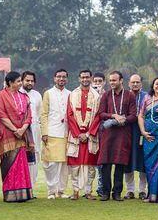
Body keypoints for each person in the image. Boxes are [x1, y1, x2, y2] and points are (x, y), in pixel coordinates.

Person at [96, 70, 138, 201]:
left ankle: (117, 193)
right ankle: (105, 192)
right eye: (110, 80)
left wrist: (123, 120)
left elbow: (133, 115)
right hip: (108, 134)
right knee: (106, 163)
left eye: (114, 80)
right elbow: (101, 114)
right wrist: (114, 116)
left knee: (120, 163)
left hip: (123, 134)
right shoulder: (106, 95)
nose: (112, 83)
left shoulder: (129, 95)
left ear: (121, 81)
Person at [0, 71, 34, 203]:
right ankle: (11, 195)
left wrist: (22, 129)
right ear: (10, 83)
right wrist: (15, 129)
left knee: (21, 164)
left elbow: (29, 115)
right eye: (18, 81)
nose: (20, 83)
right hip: (7, 135)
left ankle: (23, 194)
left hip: (21, 135)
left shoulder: (24, 96)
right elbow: (1, 115)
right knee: (9, 164)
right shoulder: (1, 95)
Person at [67, 69, 100, 199]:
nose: (85, 79)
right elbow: (69, 115)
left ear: (91, 78)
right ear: (79, 79)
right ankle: (75, 191)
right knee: (75, 165)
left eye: (87, 77)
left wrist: (87, 134)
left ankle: (88, 191)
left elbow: (98, 116)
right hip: (75, 136)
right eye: (82, 77)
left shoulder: (96, 95)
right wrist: (78, 133)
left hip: (90, 136)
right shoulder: (73, 94)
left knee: (90, 165)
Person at [41, 68, 71, 199]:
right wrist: (44, 132)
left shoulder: (71, 94)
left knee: (64, 164)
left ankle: (61, 191)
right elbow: (44, 114)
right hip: (52, 132)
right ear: (54, 78)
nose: (61, 79)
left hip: (67, 133)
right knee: (52, 164)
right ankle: (51, 191)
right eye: (59, 76)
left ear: (67, 79)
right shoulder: (48, 93)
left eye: (64, 77)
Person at [124, 73, 149, 199]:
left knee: (143, 162)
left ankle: (142, 190)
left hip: (142, 132)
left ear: (141, 83)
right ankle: (130, 190)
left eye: (137, 82)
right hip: (127, 132)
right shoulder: (124, 95)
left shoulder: (147, 97)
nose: (135, 84)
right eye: (133, 82)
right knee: (127, 162)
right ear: (128, 83)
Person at [22, 71, 43, 193]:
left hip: (34, 131)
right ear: (22, 80)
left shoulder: (37, 95)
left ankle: (31, 189)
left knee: (34, 160)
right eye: (27, 80)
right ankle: (22, 188)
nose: (29, 83)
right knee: (21, 159)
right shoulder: (17, 93)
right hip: (20, 132)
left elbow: (40, 115)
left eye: (32, 81)